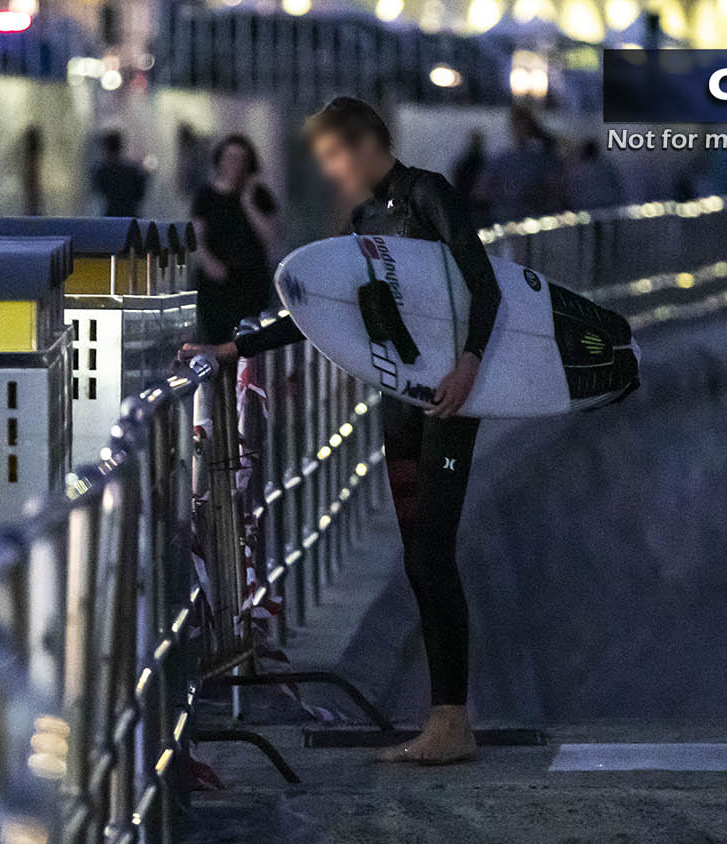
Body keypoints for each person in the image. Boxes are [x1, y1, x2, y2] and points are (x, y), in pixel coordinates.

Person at [182, 97, 501, 764]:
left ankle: (452, 720)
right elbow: (321, 314)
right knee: (417, 556)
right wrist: (229, 353)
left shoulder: (427, 195)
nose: (330, 170)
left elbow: (485, 285)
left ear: (361, 143)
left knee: (431, 554)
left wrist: (469, 366)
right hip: (402, 407)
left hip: (450, 406)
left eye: (333, 155)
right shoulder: (367, 219)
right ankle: (445, 718)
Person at [191, 134, 282, 343]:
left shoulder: (259, 195)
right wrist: (209, 263)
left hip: (250, 281)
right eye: (229, 158)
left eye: (241, 159)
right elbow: (197, 237)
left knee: (249, 340)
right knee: (217, 340)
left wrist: (248, 202)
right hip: (216, 282)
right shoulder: (205, 196)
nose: (235, 164)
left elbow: (269, 236)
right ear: (220, 160)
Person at [91, 130, 148, 217]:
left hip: (111, 217)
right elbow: (141, 193)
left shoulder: (102, 171)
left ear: (106, 148)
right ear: (121, 146)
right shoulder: (133, 169)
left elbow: (98, 190)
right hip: (131, 217)